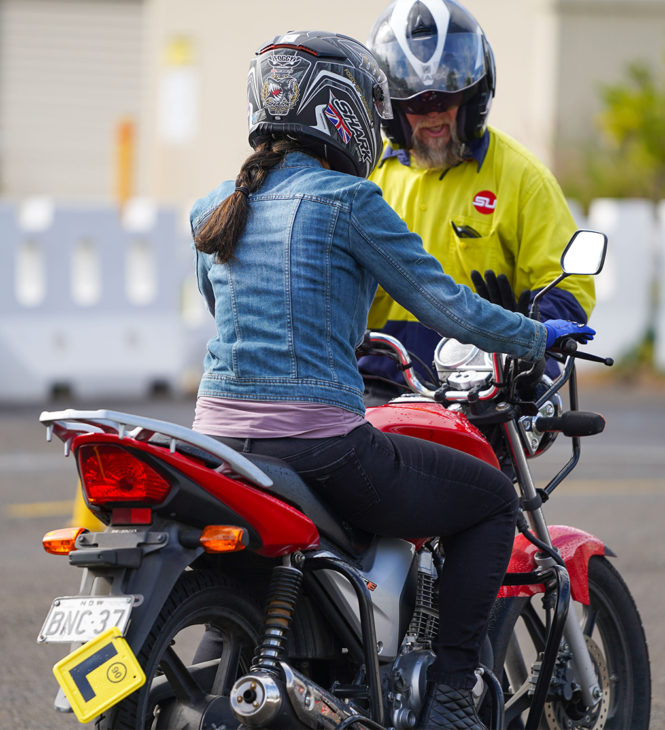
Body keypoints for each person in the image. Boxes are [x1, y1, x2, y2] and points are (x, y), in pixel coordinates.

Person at [189, 30, 594, 730]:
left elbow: (222, 309)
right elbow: (448, 306)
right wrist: (538, 334)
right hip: (318, 442)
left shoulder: (214, 205)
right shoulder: (351, 198)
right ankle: (448, 700)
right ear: (342, 108)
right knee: (492, 501)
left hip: (215, 442)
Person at [359, 0, 596, 403]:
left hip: (485, 389)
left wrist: (524, 323)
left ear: (473, 99)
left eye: (446, 100)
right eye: (416, 104)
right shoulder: (363, 176)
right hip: (380, 389)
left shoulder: (522, 175)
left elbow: (569, 283)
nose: (432, 115)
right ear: (393, 110)